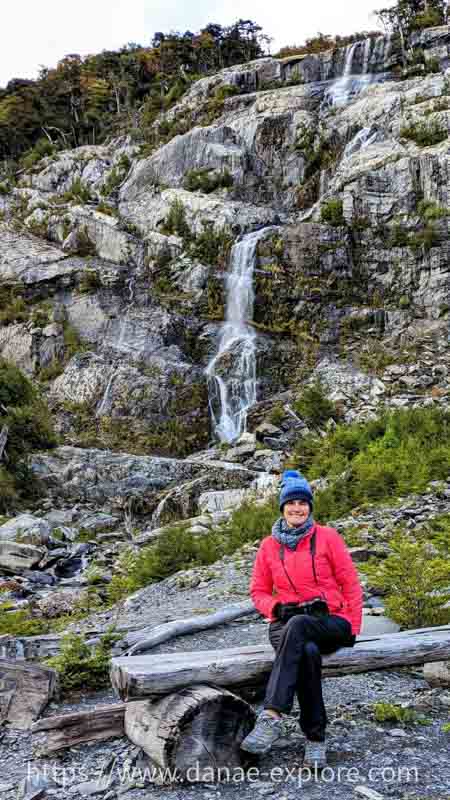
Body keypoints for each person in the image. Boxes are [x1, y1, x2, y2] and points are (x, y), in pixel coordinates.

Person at [240, 469, 363, 767]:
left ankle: (271, 714)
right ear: (282, 508)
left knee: (302, 630)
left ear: (310, 507)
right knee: (305, 649)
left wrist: (353, 626)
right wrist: (275, 608)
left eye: (303, 503)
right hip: (285, 623)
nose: (297, 508)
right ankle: (315, 739)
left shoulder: (327, 537)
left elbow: (350, 582)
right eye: (291, 503)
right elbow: (257, 591)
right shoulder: (269, 547)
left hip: (330, 622)